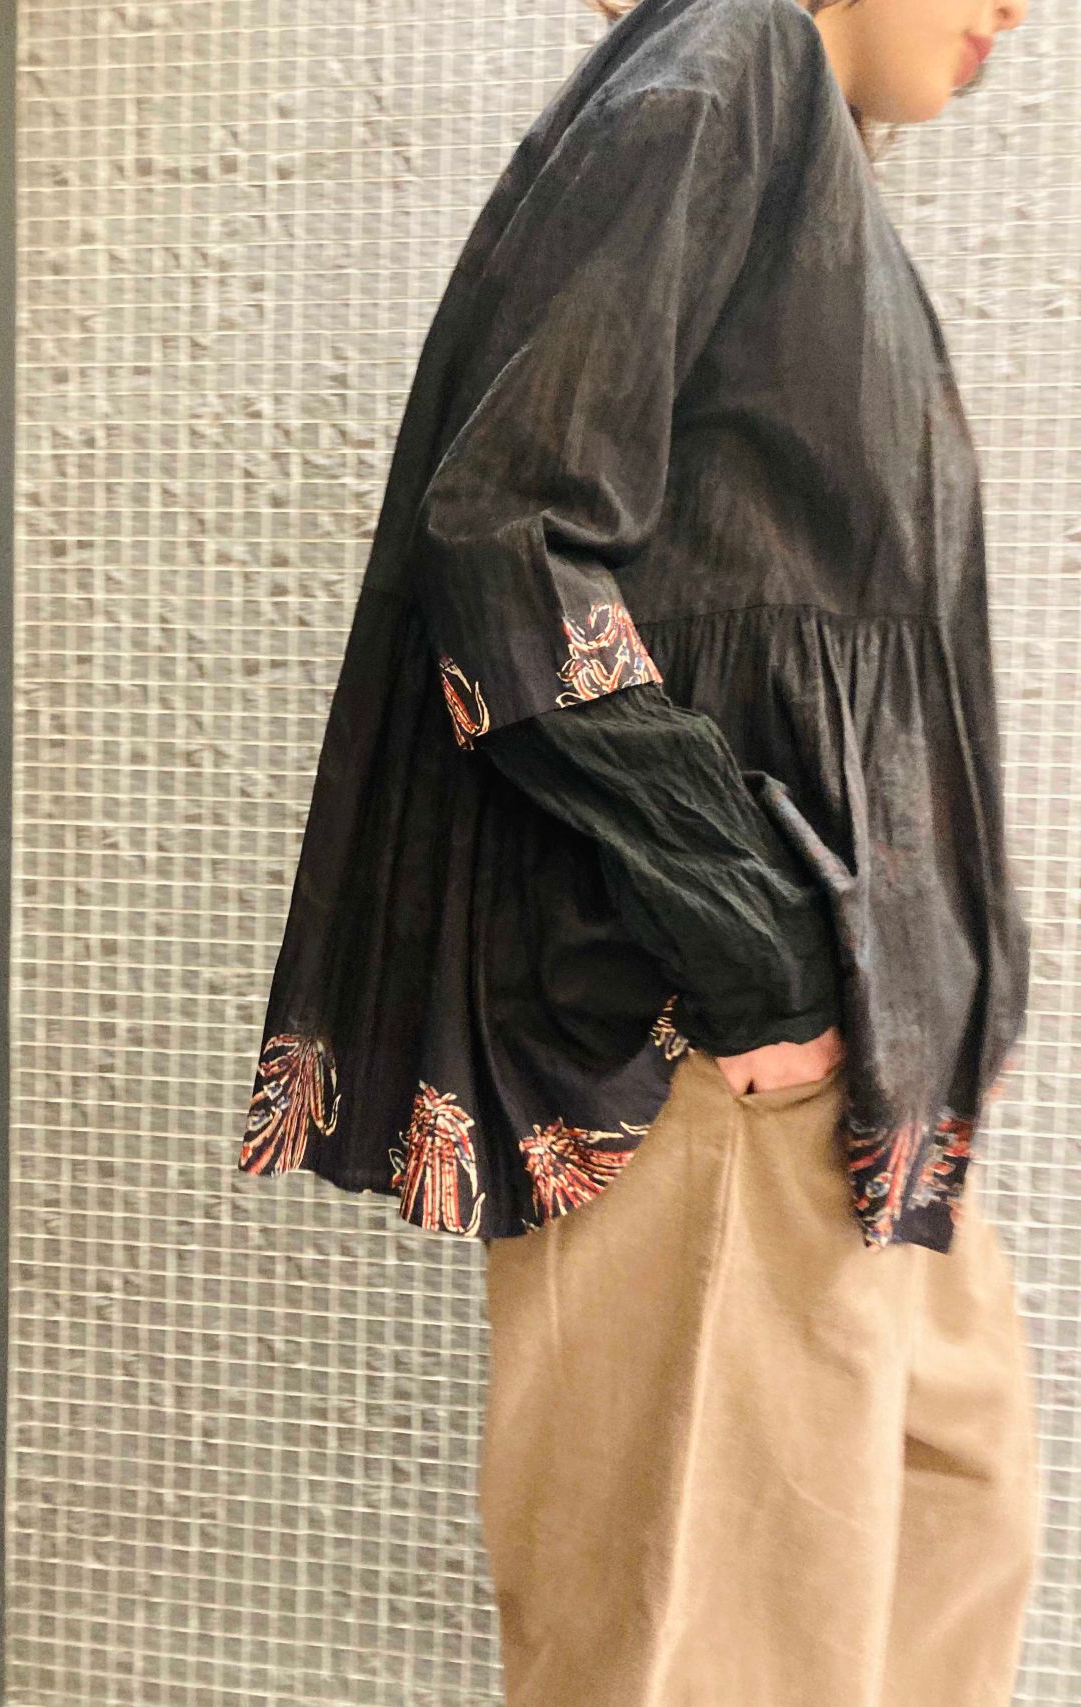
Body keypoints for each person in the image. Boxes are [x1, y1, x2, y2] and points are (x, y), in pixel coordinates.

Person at [237, 0, 1040, 1699]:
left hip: (864, 1070)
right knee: (715, 1647)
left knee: (936, 1564)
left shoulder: (804, 145)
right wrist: (755, 952)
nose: (1019, 9)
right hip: (722, 1057)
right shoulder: (731, 61)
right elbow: (506, 532)